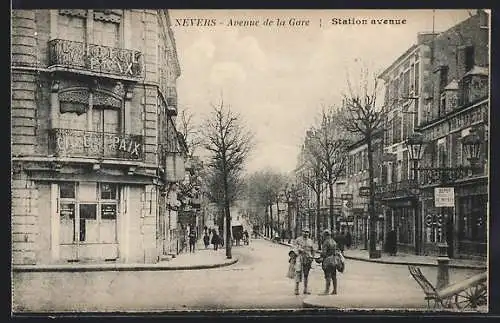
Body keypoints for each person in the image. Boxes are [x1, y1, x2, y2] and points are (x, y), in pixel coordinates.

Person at [293, 228, 315, 295]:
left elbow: (313, 250)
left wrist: (312, 257)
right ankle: (296, 290)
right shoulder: (298, 240)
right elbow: (294, 248)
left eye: (307, 232)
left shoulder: (310, 241)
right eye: (304, 232)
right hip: (299, 258)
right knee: (298, 273)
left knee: (306, 274)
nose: (306, 233)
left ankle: (305, 289)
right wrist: (298, 250)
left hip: (307, 259)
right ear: (302, 232)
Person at [319, 229, 339, 295]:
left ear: (325, 235)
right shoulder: (333, 241)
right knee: (334, 276)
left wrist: (320, 257)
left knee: (327, 276)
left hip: (327, 260)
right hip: (334, 260)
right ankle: (335, 290)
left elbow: (324, 253)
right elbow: (336, 251)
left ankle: (327, 291)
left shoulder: (326, 242)